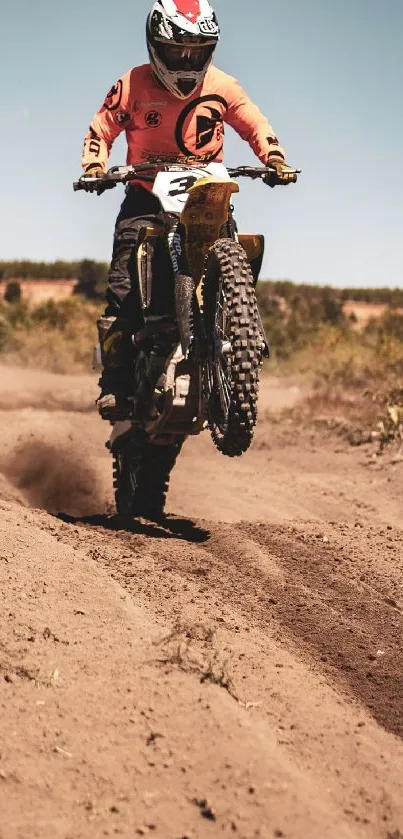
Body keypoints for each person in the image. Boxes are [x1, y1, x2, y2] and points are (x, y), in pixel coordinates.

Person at [80, 0, 296, 421]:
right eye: (178, 50)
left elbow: (254, 122)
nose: (186, 60)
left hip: (207, 192)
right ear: (155, 45)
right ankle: (116, 383)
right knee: (122, 284)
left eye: (197, 51)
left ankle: (240, 332)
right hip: (145, 194)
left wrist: (274, 156)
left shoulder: (223, 86)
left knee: (235, 250)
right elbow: (101, 127)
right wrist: (94, 167)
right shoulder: (132, 85)